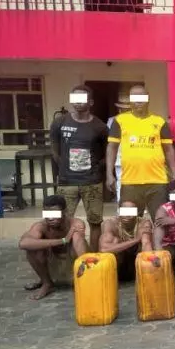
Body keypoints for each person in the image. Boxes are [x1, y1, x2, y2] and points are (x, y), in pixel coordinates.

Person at [106, 84, 175, 219]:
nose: (138, 101)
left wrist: (174, 174)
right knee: (128, 220)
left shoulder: (159, 121)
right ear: (130, 100)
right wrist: (109, 174)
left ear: (148, 99)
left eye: (142, 97)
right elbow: (112, 147)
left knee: (160, 220)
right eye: (135, 97)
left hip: (157, 181)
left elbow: (169, 150)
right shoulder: (120, 121)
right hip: (130, 181)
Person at [50, 85, 108, 250]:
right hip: (67, 182)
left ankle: (95, 256)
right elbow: (54, 150)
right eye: (74, 99)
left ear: (91, 102)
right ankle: (65, 256)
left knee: (95, 221)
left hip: (92, 182)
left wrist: (96, 167)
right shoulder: (59, 122)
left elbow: (108, 153)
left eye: (82, 99)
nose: (77, 102)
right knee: (61, 221)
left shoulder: (100, 127)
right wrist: (63, 167)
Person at [18, 195, 88, 300]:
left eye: (55, 214)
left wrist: (83, 263)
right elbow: (23, 243)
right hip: (52, 261)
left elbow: (80, 245)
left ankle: (85, 279)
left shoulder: (75, 223)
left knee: (77, 236)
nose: (50, 218)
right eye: (47, 214)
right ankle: (47, 283)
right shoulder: (41, 226)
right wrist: (63, 240)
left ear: (64, 211)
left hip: (73, 261)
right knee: (32, 249)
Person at [99, 200, 153, 281]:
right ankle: (109, 279)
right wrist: (135, 240)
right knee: (114, 240)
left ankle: (148, 277)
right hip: (119, 264)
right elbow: (103, 249)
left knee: (146, 239)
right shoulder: (110, 223)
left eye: (131, 211)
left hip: (137, 265)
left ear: (137, 213)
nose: (127, 215)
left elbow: (146, 244)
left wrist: (151, 261)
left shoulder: (143, 223)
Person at [108, 94, 131, 205]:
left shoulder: (139, 120)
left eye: (127, 108)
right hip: (120, 158)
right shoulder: (112, 121)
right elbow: (110, 143)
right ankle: (121, 209)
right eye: (122, 108)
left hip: (137, 158)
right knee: (121, 186)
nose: (124, 110)